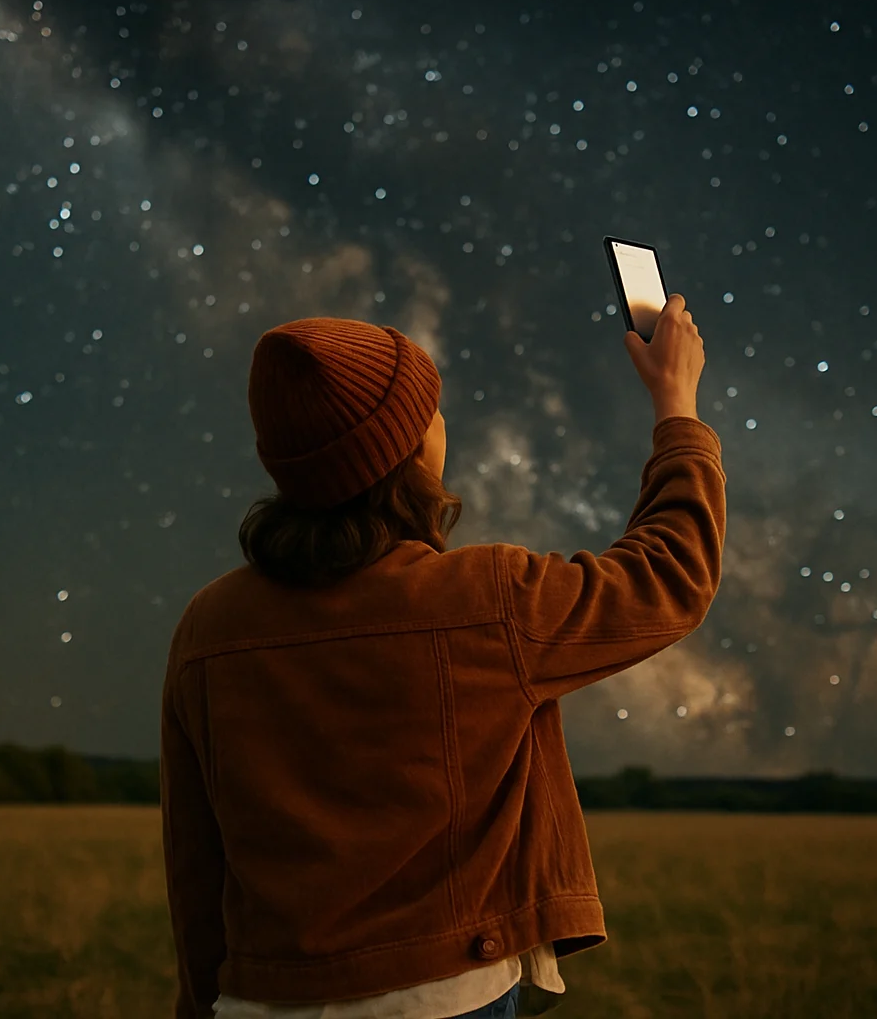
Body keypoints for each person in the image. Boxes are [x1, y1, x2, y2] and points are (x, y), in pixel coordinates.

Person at [161, 292, 724, 1018]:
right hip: (443, 999)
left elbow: (194, 857)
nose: (442, 423)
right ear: (409, 452)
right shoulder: (483, 598)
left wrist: (196, 1003)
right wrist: (677, 405)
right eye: (431, 409)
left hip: (257, 1001)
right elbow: (669, 576)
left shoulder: (207, 627)